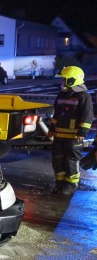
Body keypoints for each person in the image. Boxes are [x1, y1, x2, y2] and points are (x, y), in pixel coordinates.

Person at [47, 66, 94, 195]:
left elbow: (87, 116)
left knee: (71, 160)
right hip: (59, 136)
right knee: (57, 160)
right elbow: (56, 114)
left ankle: (71, 184)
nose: (61, 82)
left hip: (73, 137)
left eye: (64, 79)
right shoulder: (61, 95)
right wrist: (52, 128)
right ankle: (60, 183)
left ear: (72, 80)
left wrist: (82, 133)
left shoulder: (83, 97)